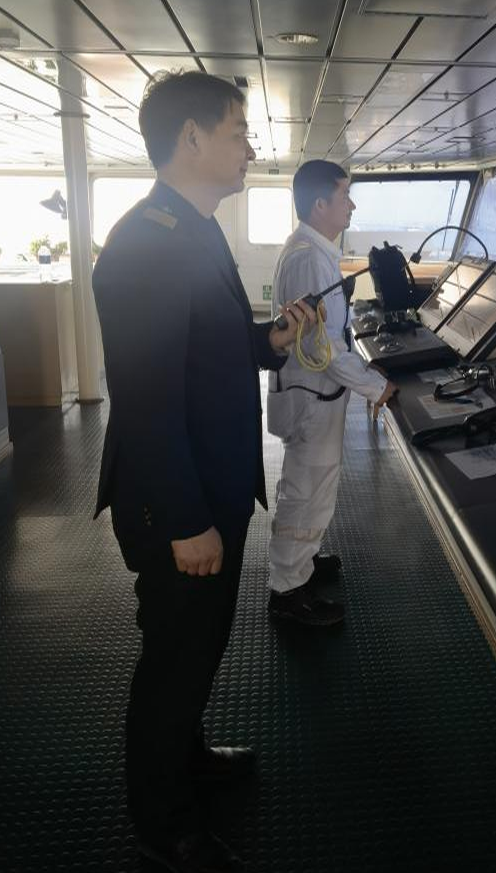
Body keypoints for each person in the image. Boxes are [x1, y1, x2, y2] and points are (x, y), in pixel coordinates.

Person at [92, 71, 316, 873]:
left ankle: (185, 757)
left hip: (209, 484)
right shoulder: (147, 246)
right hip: (175, 503)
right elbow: (147, 401)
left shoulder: (192, 228)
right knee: (174, 660)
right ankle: (163, 824)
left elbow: (205, 347)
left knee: (196, 647)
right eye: (237, 132)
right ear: (190, 138)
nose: (250, 148)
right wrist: (188, 522)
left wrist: (270, 341)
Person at [266, 160, 396, 626]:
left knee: (315, 486)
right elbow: (324, 348)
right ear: (320, 204)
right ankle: (287, 591)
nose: (352, 205)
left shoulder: (315, 251)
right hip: (311, 398)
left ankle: (302, 561)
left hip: (316, 394)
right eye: (345, 195)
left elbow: (329, 336)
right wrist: (377, 387)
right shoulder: (309, 259)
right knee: (305, 490)